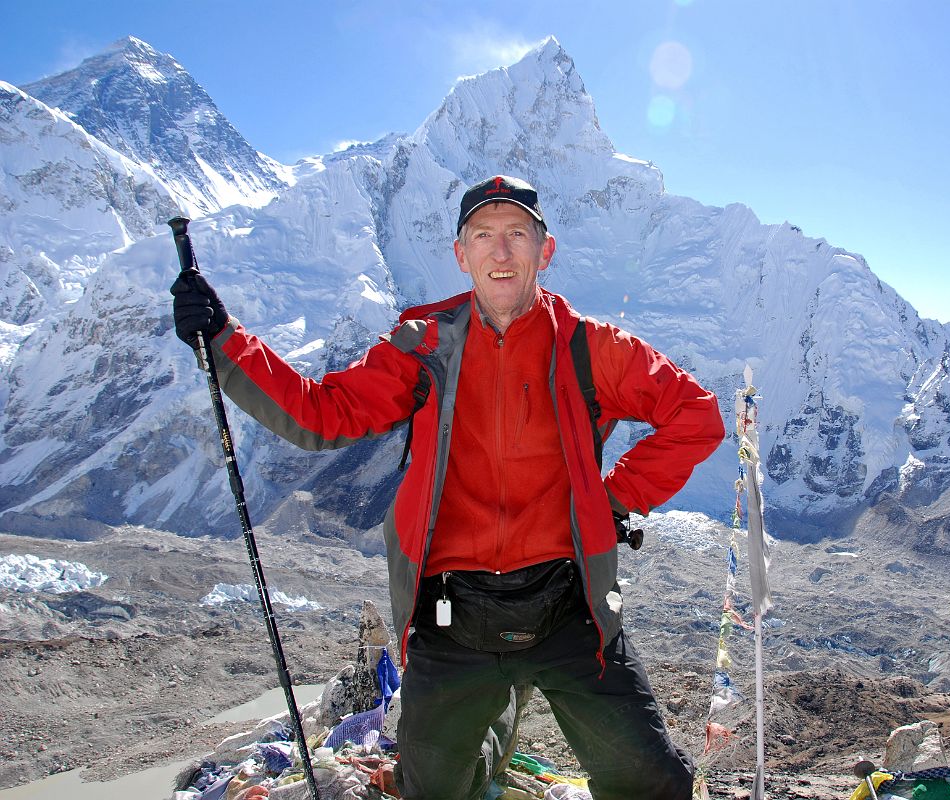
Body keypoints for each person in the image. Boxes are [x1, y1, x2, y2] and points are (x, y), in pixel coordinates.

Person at [172, 174, 725, 799]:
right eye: (482, 236)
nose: (500, 252)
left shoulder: (590, 347)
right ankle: (489, 736)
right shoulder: (423, 343)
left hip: (571, 612)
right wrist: (222, 338)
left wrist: (612, 498)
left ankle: (496, 723)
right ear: (460, 254)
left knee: (652, 784)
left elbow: (696, 415)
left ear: (546, 250)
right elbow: (322, 416)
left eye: (517, 235)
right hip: (449, 619)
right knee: (432, 790)